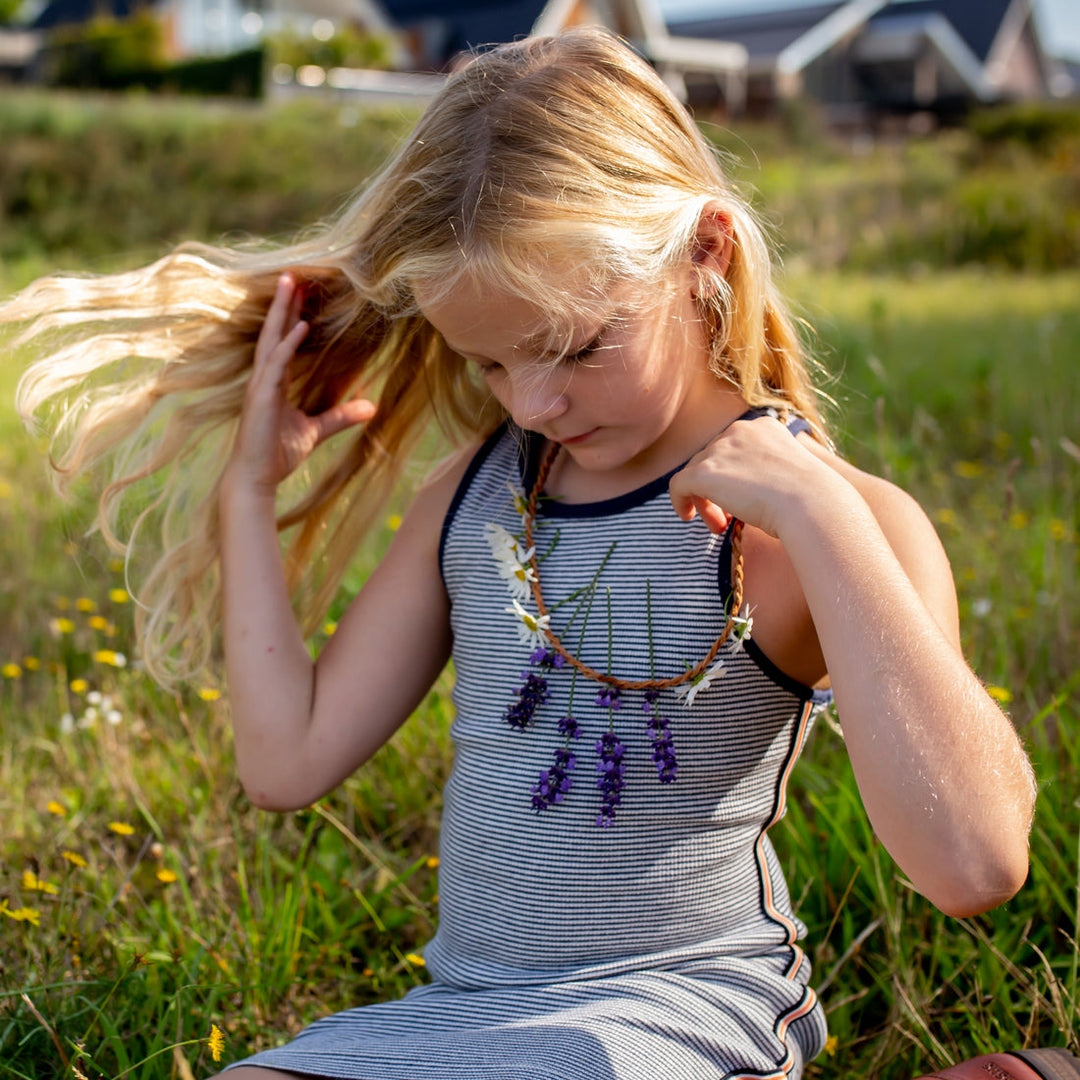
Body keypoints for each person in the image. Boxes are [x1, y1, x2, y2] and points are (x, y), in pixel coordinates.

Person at [4, 27, 1043, 1080]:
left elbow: (975, 863)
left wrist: (823, 516)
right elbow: (288, 760)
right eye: (490, 361)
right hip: (460, 1015)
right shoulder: (480, 498)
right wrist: (249, 490)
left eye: (578, 346)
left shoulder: (832, 519)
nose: (535, 403)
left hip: (670, 1014)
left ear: (706, 255)